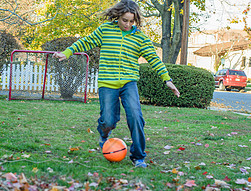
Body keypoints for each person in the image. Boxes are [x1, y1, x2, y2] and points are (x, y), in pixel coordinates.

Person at [53, 0, 180, 168]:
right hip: (107, 83)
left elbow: (154, 60)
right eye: (124, 20)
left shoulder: (140, 38)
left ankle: (138, 157)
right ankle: (104, 134)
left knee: (136, 117)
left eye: (131, 21)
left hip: (129, 83)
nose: (127, 24)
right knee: (108, 120)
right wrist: (67, 53)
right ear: (117, 17)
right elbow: (85, 42)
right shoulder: (105, 31)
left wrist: (167, 80)